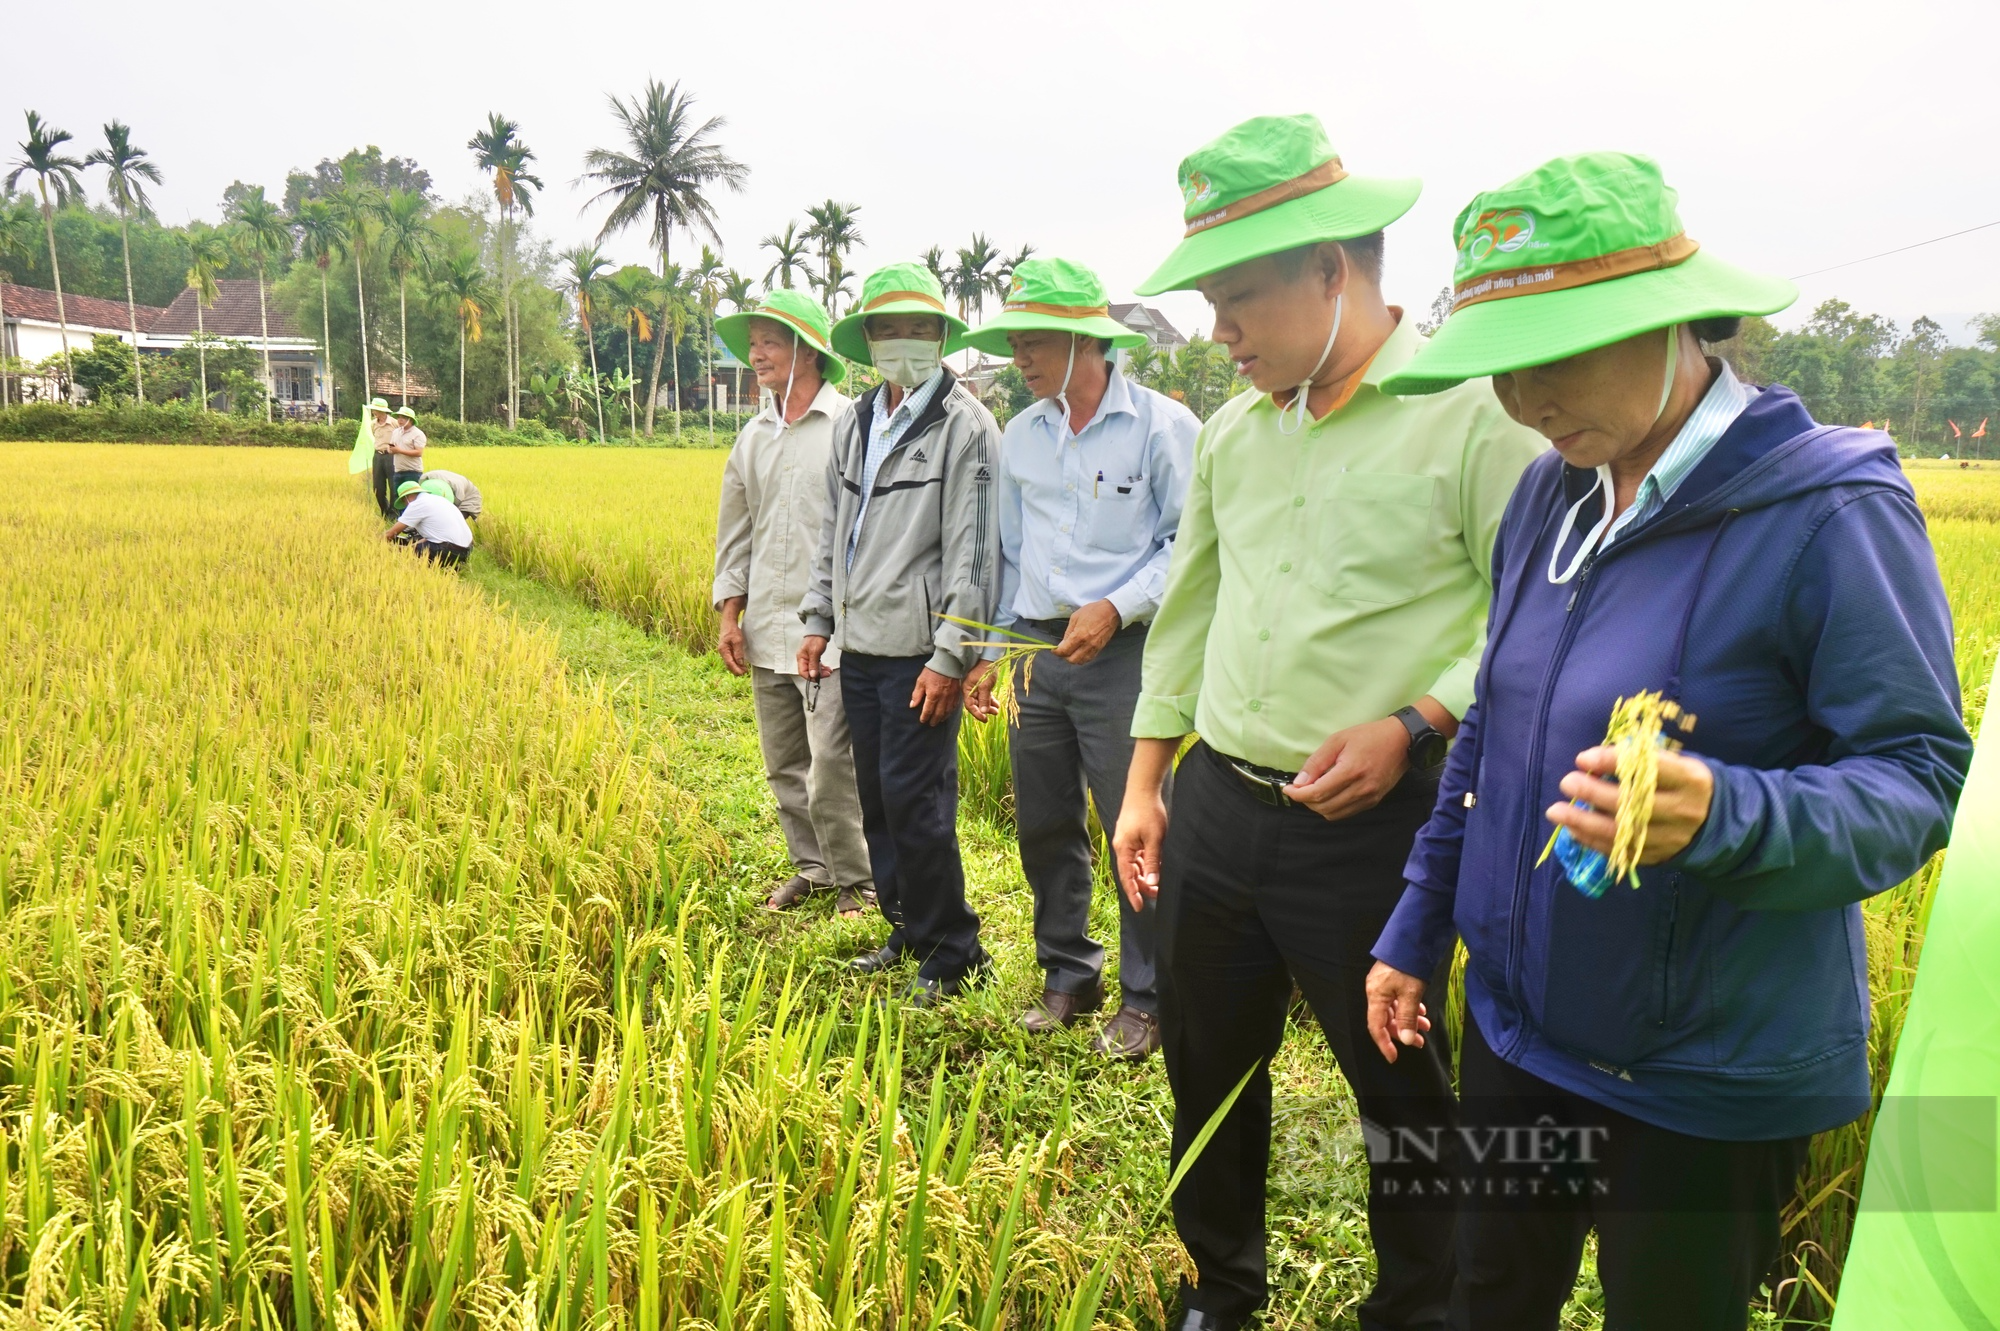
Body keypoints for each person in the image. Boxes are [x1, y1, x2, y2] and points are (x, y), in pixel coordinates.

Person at [1366, 152, 1972, 1331]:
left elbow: (1914, 775)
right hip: (1514, 1027)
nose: (1526, 397)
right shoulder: (1552, 495)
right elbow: (1492, 727)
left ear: (1672, 324)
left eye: (1559, 352)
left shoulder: (1827, 509)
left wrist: (1725, 813)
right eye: (1502, 366)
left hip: (1703, 1072)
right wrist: (1414, 920)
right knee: (1489, 1295)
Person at [1107, 114, 1547, 1331]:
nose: (1219, 331)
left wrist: (1415, 719)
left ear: (1329, 271)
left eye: (1237, 298)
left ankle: (1415, 1303)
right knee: (1205, 1061)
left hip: (1378, 826)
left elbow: (1529, 617)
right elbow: (1188, 605)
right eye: (1207, 302)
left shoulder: (1471, 416)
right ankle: (1220, 1287)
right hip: (1216, 806)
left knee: (1396, 1084)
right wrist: (1148, 782)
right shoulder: (1238, 435)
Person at [960, 257, 1196, 1059]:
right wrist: (994, 651)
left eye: (1031, 342)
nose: (1018, 358)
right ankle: (1070, 969)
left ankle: (1150, 995)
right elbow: (1012, 553)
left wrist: (1117, 605)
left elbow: (1190, 548)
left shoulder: (1163, 428)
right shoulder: (1023, 435)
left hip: (1122, 653)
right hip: (1037, 649)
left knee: (1134, 823)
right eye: (1015, 342)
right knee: (1045, 817)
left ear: (1082, 341)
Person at [798, 261, 1001, 1007]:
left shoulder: (965, 427)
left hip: (921, 651)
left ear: (941, 337)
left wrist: (953, 654)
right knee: (877, 800)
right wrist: (820, 619)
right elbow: (835, 533)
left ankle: (956, 949)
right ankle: (908, 929)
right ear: (869, 339)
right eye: (889, 329)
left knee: (919, 804)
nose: (904, 341)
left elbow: (974, 552)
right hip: (860, 647)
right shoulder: (856, 421)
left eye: (920, 328)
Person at [713, 289, 876, 919]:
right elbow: (737, 531)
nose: (756, 354)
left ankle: (856, 878)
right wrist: (731, 614)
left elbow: (864, 532)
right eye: (753, 343)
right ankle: (812, 867)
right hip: (768, 624)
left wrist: (840, 619)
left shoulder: (849, 429)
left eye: (770, 342)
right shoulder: (752, 437)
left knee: (833, 761)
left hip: (831, 631)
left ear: (807, 350)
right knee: (784, 759)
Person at [386, 480, 474, 567]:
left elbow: (391, 534)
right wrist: (411, 547)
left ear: (407, 497)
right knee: (408, 548)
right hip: (466, 550)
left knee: (398, 552)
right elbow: (432, 537)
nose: (406, 505)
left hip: (448, 550)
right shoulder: (439, 500)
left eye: (403, 501)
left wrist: (379, 545)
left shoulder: (417, 504)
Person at [367, 398, 399, 516]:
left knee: (393, 486)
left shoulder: (394, 423)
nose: (374, 412)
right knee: (378, 488)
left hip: (391, 456)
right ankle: (384, 511)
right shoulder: (372, 424)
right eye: (373, 410)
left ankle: (393, 514)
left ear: (382, 411)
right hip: (378, 456)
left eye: (376, 410)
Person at [386, 406, 427, 486]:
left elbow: (419, 452)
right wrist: (390, 450)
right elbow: (390, 446)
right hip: (398, 470)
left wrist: (399, 450)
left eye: (403, 418)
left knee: (412, 497)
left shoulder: (418, 434)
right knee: (398, 496)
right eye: (399, 417)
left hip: (413, 472)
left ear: (410, 420)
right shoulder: (396, 432)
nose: (400, 420)